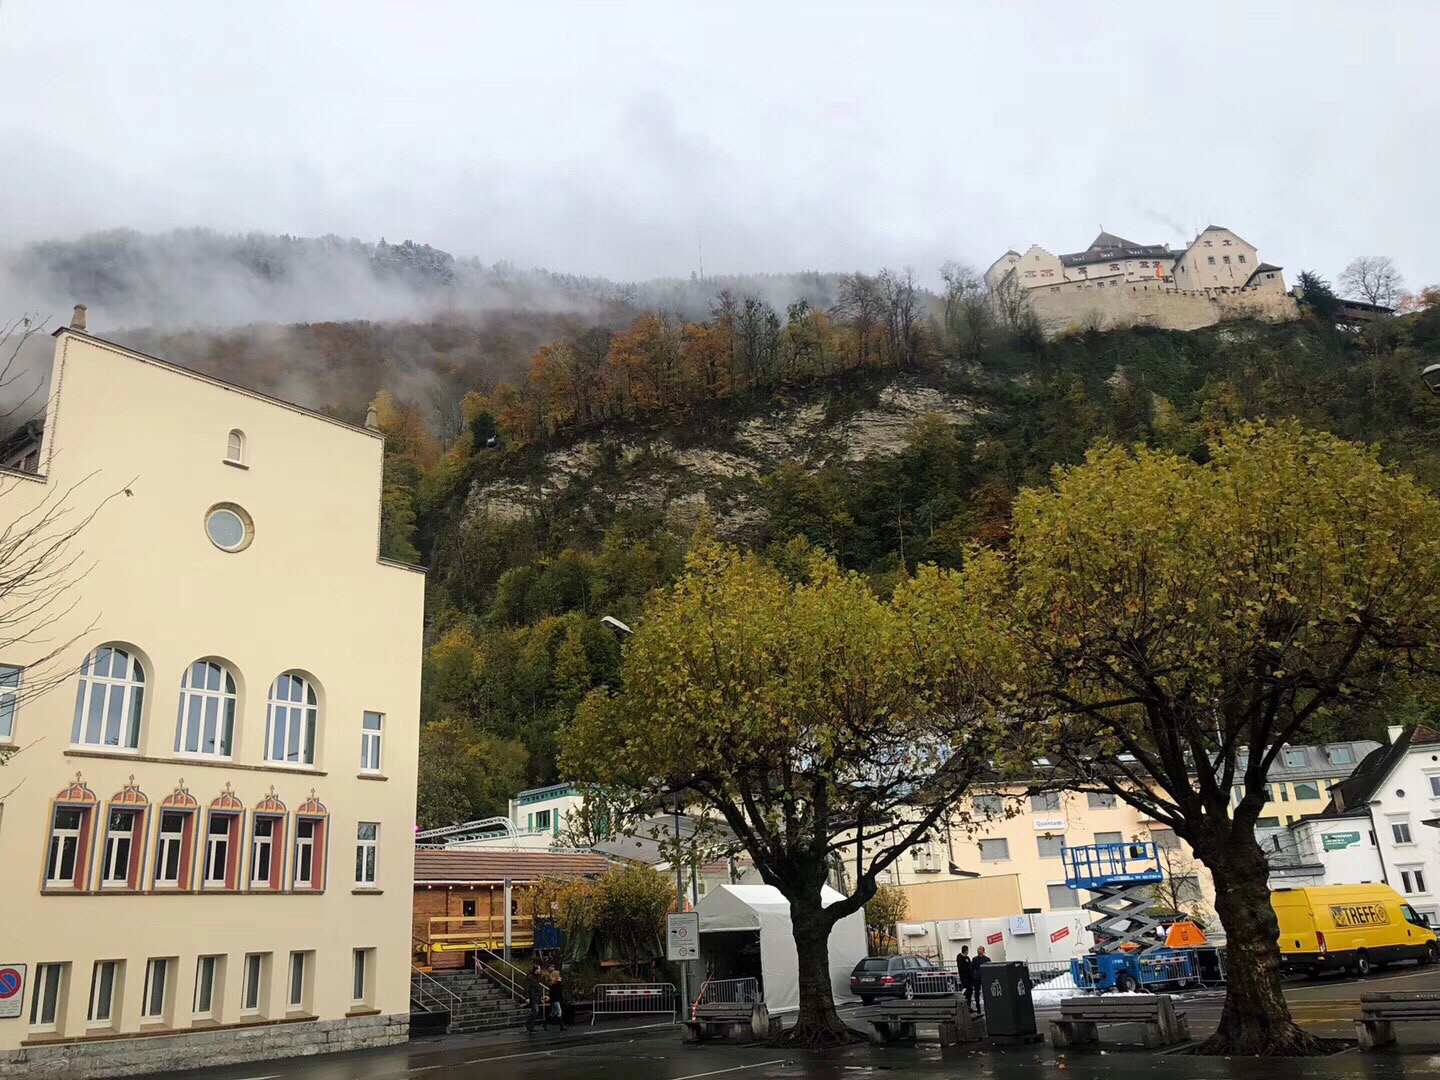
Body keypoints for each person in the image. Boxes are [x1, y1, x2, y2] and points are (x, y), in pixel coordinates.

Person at [525, 965, 547, 1032]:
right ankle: (529, 1024)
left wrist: (540, 997)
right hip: (532, 997)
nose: (540, 970)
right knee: (535, 1010)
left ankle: (530, 1026)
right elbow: (526, 988)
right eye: (539, 969)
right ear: (536, 970)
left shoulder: (536, 977)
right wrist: (527, 997)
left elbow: (537, 987)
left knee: (534, 1011)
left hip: (535, 997)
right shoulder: (530, 978)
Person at [969, 946, 990, 1015]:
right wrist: (973, 976)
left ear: (983, 951)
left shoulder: (987, 959)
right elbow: (972, 968)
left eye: (980, 949)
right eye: (978, 949)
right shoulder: (975, 959)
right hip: (977, 978)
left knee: (986, 992)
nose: (978, 950)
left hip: (984, 977)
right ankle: (978, 1008)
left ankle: (988, 1007)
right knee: (977, 993)